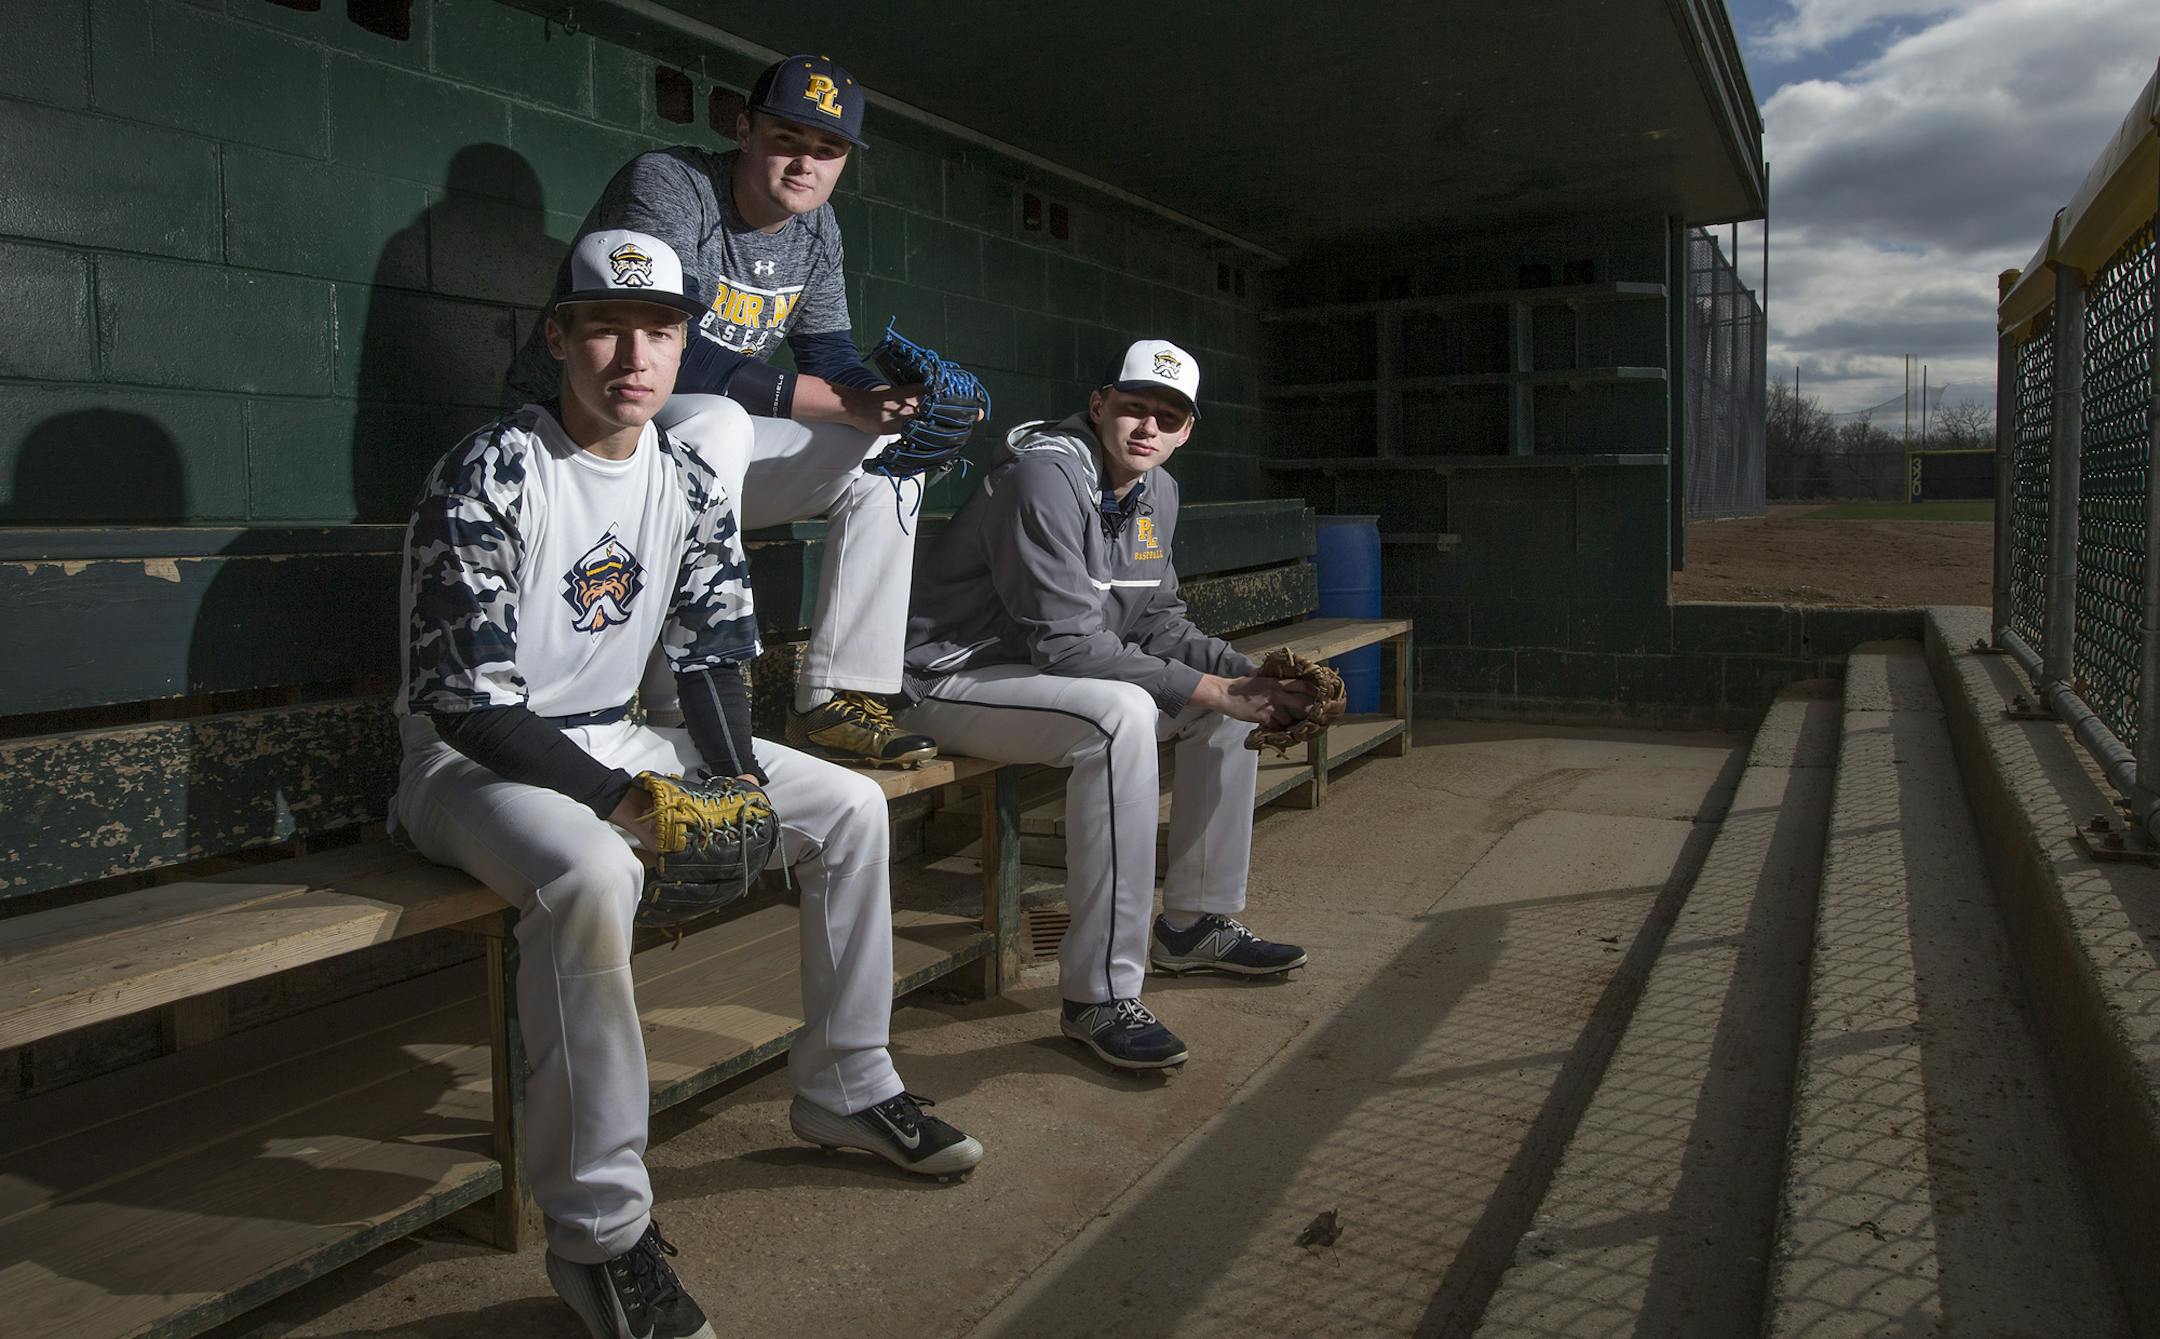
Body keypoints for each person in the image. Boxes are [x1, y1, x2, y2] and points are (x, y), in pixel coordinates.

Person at [401, 230, 982, 1339]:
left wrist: (733, 779)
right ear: (559, 335)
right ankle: (601, 1235)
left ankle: (849, 1085)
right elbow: (464, 703)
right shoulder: (491, 468)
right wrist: (625, 801)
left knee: (849, 809)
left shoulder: (681, 476)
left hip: (621, 736)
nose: (635, 352)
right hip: (467, 767)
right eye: (607, 326)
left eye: (661, 329)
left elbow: (714, 654)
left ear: (681, 345)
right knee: (589, 874)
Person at [506, 53, 938, 770]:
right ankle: (678, 697)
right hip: (575, 443)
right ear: (743, 128)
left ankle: (838, 697)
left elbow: (830, 358)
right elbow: (677, 356)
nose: (807, 162)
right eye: (787, 138)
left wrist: (895, 410)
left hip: (689, 467)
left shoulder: (817, 229)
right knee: (718, 420)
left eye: (828, 149)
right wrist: (850, 402)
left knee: (890, 463)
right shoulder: (673, 185)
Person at [898, 339, 1313, 1071]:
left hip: (1044, 682)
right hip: (953, 679)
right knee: (1120, 716)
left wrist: (1248, 675)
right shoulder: (1043, 477)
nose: (1147, 427)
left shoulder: (1159, 493)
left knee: (1222, 706)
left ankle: (1193, 924)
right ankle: (1099, 993)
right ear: (1099, 406)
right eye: (1133, 407)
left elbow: (1159, 623)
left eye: (1168, 416)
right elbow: (1064, 644)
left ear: (1188, 431)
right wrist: (1213, 686)